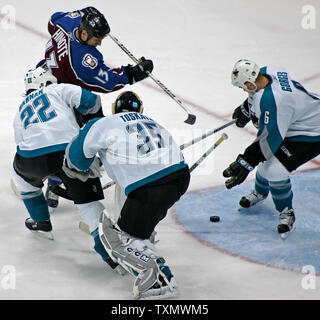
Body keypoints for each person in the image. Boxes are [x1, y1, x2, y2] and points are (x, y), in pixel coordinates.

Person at [63, 91, 190, 299]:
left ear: (114, 109)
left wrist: (85, 166)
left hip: (148, 184)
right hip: (180, 177)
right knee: (138, 229)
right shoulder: (150, 120)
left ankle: (160, 281)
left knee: (120, 239)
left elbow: (75, 159)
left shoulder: (101, 123)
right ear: (139, 108)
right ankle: (143, 243)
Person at [37, 6, 154, 209]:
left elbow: (52, 20)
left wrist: (83, 11)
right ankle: (59, 178)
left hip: (43, 77)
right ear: (84, 33)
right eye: (96, 39)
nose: (99, 43)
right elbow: (106, 82)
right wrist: (132, 74)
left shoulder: (67, 22)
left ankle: (55, 172)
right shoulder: (83, 61)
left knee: (56, 135)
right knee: (74, 134)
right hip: (63, 95)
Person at [12, 66, 121, 272]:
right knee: (89, 203)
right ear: (46, 82)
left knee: (22, 179)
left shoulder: (19, 111)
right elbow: (91, 100)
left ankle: (41, 222)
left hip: (30, 159)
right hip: (68, 151)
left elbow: (22, 142)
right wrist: (94, 131)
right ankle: (111, 254)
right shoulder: (57, 89)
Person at [223, 59, 320, 238]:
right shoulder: (268, 72)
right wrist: (247, 108)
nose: (244, 91)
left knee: (274, 168)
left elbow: (269, 140)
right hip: (297, 121)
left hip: (312, 134)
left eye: (244, 87)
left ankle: (286, 211)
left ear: (251, 83)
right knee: (266, 158)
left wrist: (245, 162)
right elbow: (258, 95)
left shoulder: (274, 102)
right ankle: (260, 192)